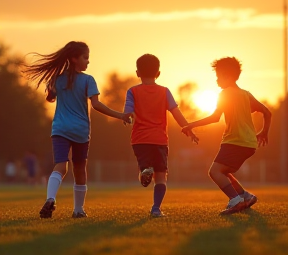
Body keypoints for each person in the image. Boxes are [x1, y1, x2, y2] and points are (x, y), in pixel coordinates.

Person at [22, 41, 132, 218]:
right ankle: (78, 210)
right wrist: (120, 115)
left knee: (60, 166)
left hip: (60, 129)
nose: (88, 61)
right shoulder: (88, 80)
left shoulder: (57, 78)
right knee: (79, 169)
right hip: (80, 130)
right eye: (85, 57)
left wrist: (52, 88)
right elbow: (95, 105)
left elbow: (50, 98)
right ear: (74, 59)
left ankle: (50, 198)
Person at [182, 57, 272, 215]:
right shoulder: (246, 95)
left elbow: (214, 118)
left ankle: (235, 201)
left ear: (229, 76)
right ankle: (246, 196)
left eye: (219, 76)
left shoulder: (224, 94)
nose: (217, 80)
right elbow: (267, 112)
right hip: (249, 144)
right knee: (223, 171)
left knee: (214, 172)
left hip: (234, 142)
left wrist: (191, 124)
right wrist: (264, 132)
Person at [124, 54, 198, 218]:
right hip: (159, 140)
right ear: (158, 73)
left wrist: (126, 117)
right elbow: (176, 112)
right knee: (161, 176)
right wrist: (188, 128)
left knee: (146, 167)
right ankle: (156, 208)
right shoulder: (164, 92)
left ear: (137, 73)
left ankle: (144, 170)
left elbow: (128, 112)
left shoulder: (133, 91)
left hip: (140, 140)